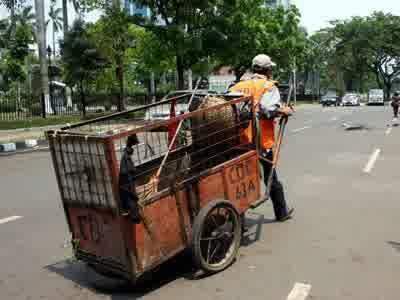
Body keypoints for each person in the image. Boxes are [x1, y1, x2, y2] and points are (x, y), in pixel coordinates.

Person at [229, 54, 294, 222]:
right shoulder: (268, 86)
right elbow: (267, 111)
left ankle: (239, 221)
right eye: (270, 68)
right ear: (267, 70)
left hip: (238, 140)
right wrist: (283, 111)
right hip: (260, 141)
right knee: (270, 175)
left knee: (240, 180)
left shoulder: (238, 85)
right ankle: (281, 212)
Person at [119, 134, 141, 223]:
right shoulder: (126, 157)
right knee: (131, 199)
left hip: (126, 181)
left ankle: (132, 215)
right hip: (126, 181)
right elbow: (128, 170)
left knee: (131, 199)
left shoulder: (126, 156)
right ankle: (134, 216)